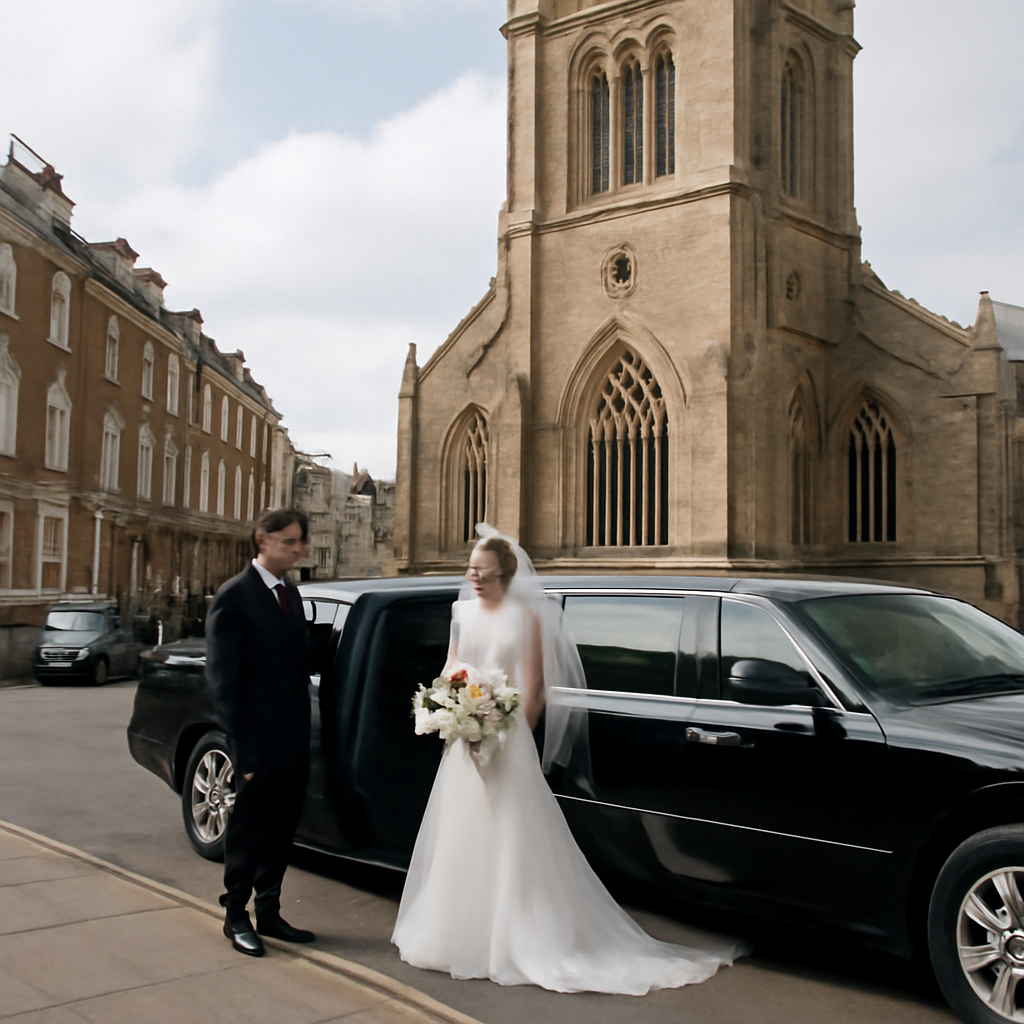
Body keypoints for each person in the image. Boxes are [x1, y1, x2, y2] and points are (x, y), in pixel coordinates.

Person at [392, 525, 747, 994]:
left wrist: (504, 735)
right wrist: (447, 711)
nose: (475, 579)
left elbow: (533, 689)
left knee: (512, 837)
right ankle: (458, 932)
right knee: (461, 834)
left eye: (486, 574)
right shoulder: (462, 611)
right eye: (472, 571)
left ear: (506, 574)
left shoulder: (528, 617)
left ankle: (519, 936)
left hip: (506, 739)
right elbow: (452, 667)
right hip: (463, 740)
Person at [207, 507, 315, 957]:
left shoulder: (289, 592)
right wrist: (245, 756)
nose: (298, 549)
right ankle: (236, 915)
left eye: (300, 541)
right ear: (262, 540)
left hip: (292, 739)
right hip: (257, 746)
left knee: (281, 831)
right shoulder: (235, 597)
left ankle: (269, 911)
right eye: (289, 541)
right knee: (249, 833)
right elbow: (223, 684)